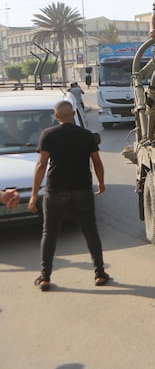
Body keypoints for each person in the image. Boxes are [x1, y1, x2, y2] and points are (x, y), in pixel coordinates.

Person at [29, 100, 108, 291]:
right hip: (82, 190)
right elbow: (97, 162)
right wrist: (101, 182)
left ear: (56, 116)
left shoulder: (48, 134)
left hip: (55, 191)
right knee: (90, 231)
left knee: (49, 233)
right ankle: (99, 273)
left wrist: (33, 195)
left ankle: (45, 277)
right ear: (73, 113)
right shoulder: (86, 135)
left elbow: (41, 165)